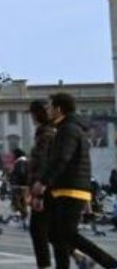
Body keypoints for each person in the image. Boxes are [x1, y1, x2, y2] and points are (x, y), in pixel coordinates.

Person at [33, 92, 117, 269]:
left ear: (59, 109)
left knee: (67, 234)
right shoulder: (67, 128)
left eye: (49, 107)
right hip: (66, 188)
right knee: (57, 234)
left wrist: (43, 182)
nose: (47, 110)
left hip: (71, 189)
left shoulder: (68, 129)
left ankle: (110, 263)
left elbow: (62, 158)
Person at [28, 99, 56, 268]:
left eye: (32, 114)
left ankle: (44, 266)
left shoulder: (45, 135)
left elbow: (42, 163)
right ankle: (78, 255)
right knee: (50, 230)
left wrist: (38, 193)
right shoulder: (47, 132)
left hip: (44, 188)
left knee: (37, 229)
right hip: (47, 187)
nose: (31, 117)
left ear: (37, 114)